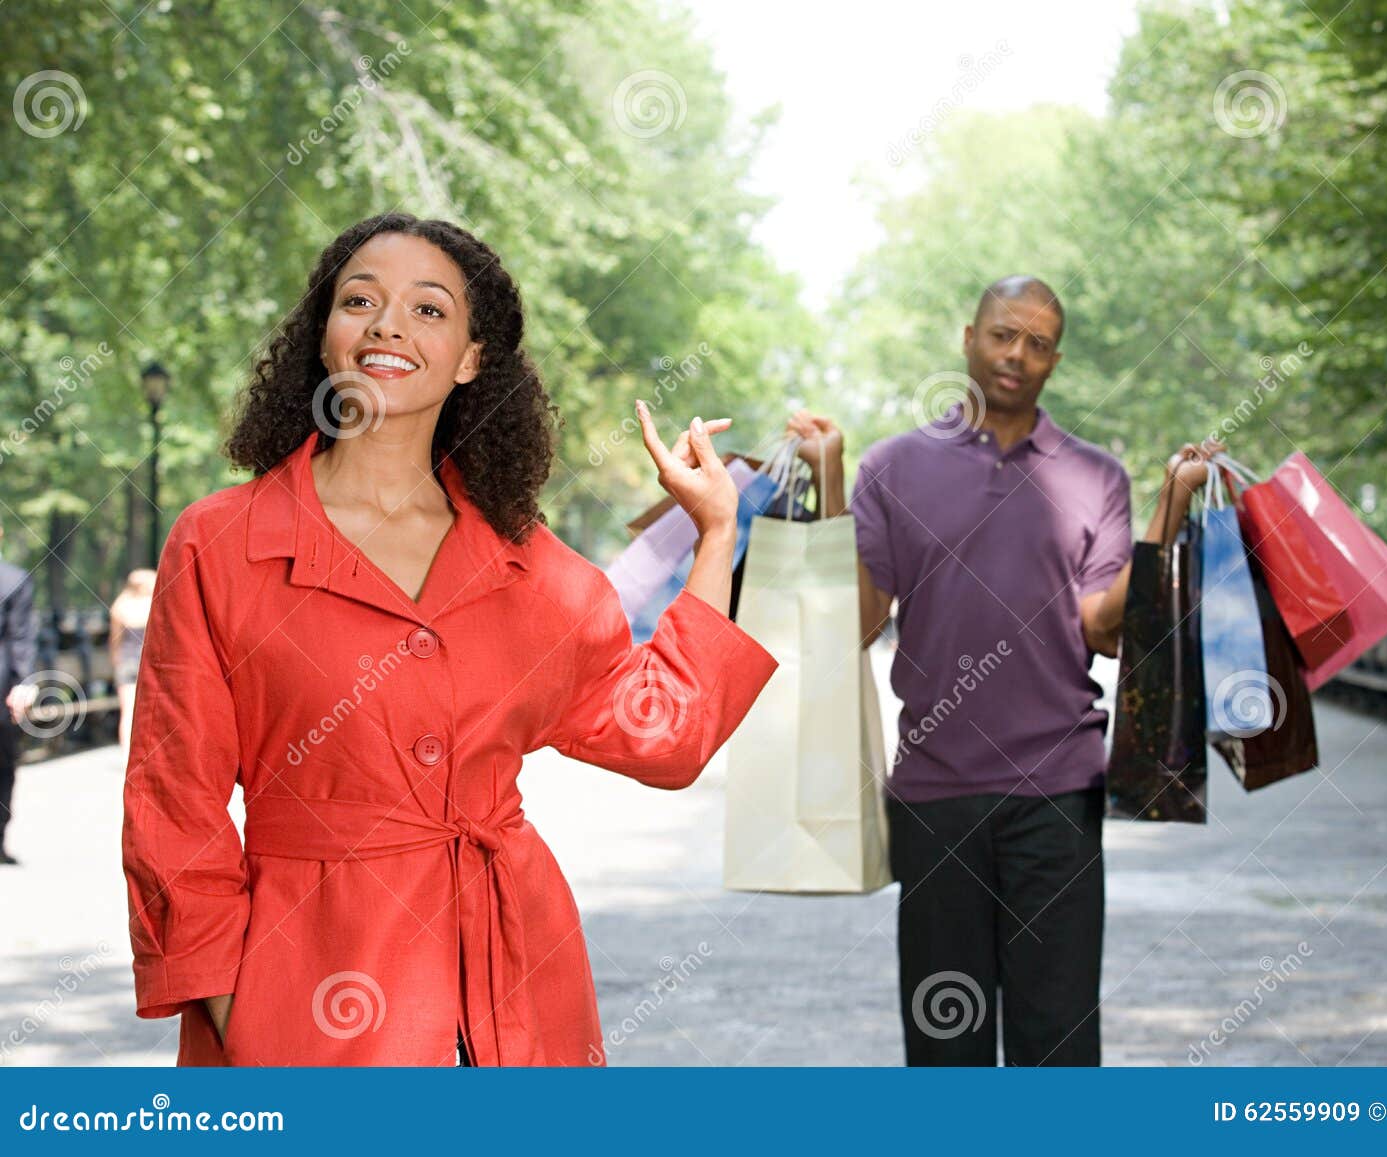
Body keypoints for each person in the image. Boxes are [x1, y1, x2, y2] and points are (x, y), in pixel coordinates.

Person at [120, 213, 777, 1067]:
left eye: (429, 310)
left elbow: (666, 735)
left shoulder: (523, 564)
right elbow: (175, 809)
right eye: (361, 300)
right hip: (304, 999)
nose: (388, 323)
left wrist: (715, 532)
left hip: (513, 1000)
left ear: (472, 360)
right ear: (325, 338)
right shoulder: (222, 543)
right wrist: (241, 1011)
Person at [789, 274, 1218, 1067]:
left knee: (1056, 1039)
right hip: (935, 796)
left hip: (1057, 790)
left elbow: (1102, 622)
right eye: (1002, 334)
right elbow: (857, 618)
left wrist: (1170, 505)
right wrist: (830, 479)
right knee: (944, 1043)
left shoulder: (1097, 477)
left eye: (1039, 342)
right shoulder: (893, 468)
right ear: (969, 338)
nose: (1017, 354)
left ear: (1056, 359)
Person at [0, 518, 40, 866]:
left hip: (2, 692)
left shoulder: (13, 580)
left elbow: (20, 637)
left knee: (3, 764)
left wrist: (25, 682)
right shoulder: (14, 579)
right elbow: (21, 639)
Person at [109, 568, 155, 761]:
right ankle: (146, 753)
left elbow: (115, 640)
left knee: (127, 710)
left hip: (126, 662)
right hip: (147, 662)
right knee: (149, 709)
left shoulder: (120, 606)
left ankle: (127, 754)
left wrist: (115, 661)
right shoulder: (151, 604)